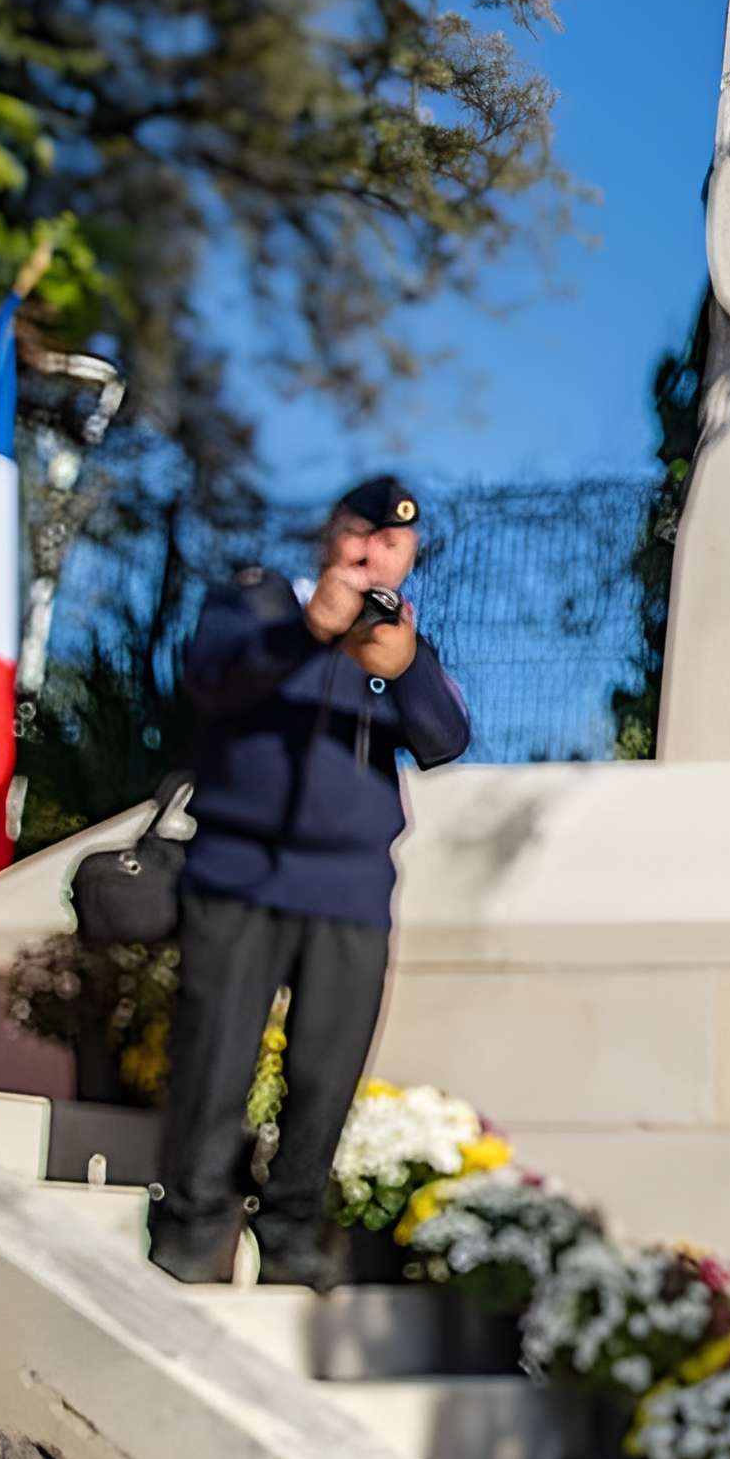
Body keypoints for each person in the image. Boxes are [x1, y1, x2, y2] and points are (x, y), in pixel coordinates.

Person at [151, 475, 469, 1286]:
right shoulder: (257, 604)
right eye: (360, 536)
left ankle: (293, 1228)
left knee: (328, 1070)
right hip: (241, 872)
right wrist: (307, 632)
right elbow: (213, 685)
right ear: (330, 534)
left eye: (392, 544)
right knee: (216, 1056)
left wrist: (401, 667)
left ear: (412, 554)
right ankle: (193, 1221)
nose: (372, 555)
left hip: (350, 890)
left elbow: (442, 739)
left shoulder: (392, 643)